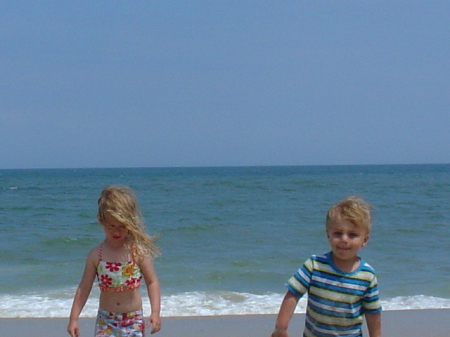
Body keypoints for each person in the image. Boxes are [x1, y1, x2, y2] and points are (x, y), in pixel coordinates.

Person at [271, 196, 382, 337]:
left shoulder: (367, 276)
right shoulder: (315, 265)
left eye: (352, 235)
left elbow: (373, 312)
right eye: (338, 233)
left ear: (364, 240)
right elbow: (293, 294)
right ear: (328, 234)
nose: (344, 239)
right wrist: (281, 327)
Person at [68, 185, 161, 337]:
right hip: (106, 320)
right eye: (111, 226)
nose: (116, 231)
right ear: (101, 221)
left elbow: (152, 282)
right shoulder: (96, 255)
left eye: (121, 227)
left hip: (133, 319)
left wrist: (155, 312)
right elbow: (84, 287)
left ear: (130, 224)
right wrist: (73, 319)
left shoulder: (137, 252)